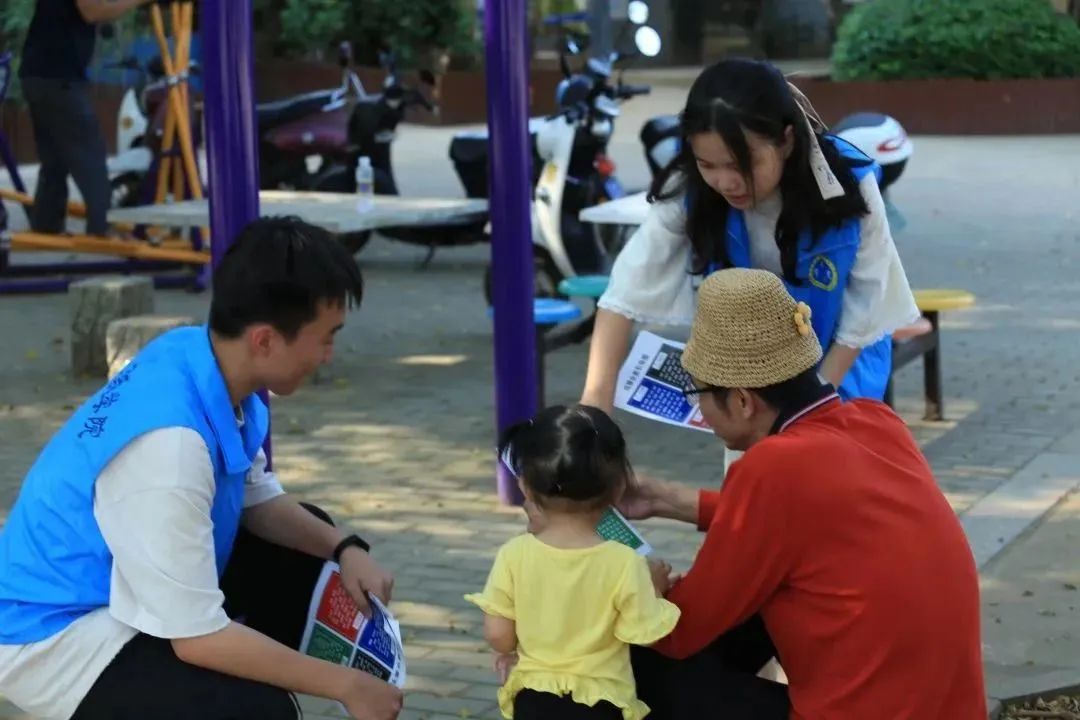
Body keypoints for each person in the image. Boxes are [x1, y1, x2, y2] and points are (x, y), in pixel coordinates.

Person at [0, 217, 403, 720]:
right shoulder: (168, 450)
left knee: (309, 545)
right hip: (57, 635)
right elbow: (196, 638)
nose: (329, 355)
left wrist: (345, 548)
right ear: (265, 340)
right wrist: (346, 686)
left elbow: (256, 497)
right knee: (257, 712)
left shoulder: (203, 357)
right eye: (326, 338)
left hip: (122, 583)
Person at [620, 268, 986, 719]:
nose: (700, 410)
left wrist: (644, 591)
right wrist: (665, 499)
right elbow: (806, 525)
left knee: (634, 661)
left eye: (699, 394)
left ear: (742, 401)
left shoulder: (772, 468)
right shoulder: (877, 421)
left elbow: (679, 632)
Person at [581, 58, 920, 412]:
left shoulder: (847, 185)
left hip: (842, 368)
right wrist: (594, 405)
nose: (726, 182)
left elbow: (865, 308)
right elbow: (624, 293)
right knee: (751, 444)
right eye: (708, 164)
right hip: (751, 376)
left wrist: (812, 404)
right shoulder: (690, 188)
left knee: (823, 441)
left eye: (742, 165)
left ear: (786, 141)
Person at [465, 405, 680, 720]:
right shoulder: (624, 561)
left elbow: (499, 636)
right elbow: (645, 633)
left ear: (525, 486)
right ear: (619, 487)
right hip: (602, 702)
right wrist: (655, 590)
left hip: (534, 698)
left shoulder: (514, 554)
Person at [19, 0, 152, 237]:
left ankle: (46, 225)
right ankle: (103, 225)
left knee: (55, 158)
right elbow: (92, 10)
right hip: (57, 76)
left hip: (40, 74)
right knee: (90, 152)